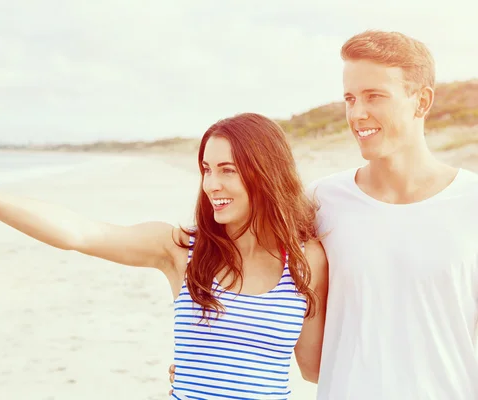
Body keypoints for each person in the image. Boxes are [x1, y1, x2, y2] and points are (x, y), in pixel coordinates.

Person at [0, 112, 329, 400]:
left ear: (265, 172)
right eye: (206, 169)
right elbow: (79, 233)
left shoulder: (308, 263)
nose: (211, 183)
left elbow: (314, 370)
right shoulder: (182, 249)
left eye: (227, 170)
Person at [170, 29, 478, 399]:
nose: (357, 113)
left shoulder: (471, 202)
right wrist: (208, 359)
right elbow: (244, 260)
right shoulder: (321, 201)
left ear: (422, 101)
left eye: (374, 96)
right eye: (349, 98)